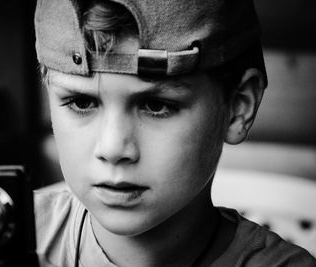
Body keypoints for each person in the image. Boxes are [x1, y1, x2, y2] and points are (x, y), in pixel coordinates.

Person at [33, 0, 316, 266]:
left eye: (156, 105)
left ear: (238, 106)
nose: (113, 148)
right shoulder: (9, 235)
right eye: (82, 103)